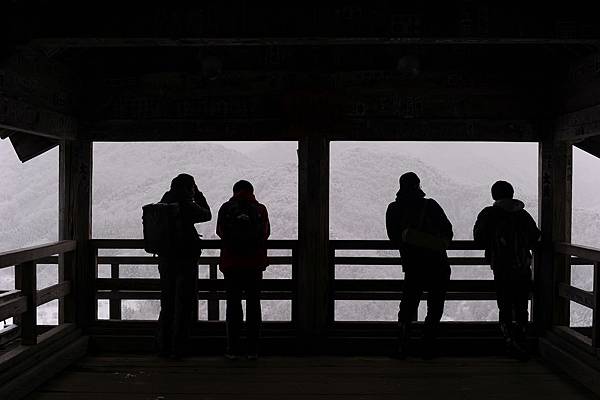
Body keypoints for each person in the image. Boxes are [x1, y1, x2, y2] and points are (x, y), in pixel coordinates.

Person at [386, 172, 453, 359]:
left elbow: (393, 237)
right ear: (418, 185)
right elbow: (448, 232)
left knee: (408, 304)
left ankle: (403, 344)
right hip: (438, 264)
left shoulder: (394, 209)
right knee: (435, 305)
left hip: (413, 265)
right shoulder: (430, 205)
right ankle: (428, 345)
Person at [473, 180, 540, 359]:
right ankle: (523, 338)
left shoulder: (489, 214)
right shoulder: (523, 214)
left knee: (505, 304)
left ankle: (509, 341)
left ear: (494, 195)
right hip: (522, 267)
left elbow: (478, 239)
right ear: (512, 193)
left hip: (501, 267)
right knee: (521, 305)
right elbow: (535, 237)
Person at [156, 173, 211, 358]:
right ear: (189, 188)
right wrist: (199, 195)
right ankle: (179, 347)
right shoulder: (186, 204)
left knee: (168, 303)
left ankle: (163, 346)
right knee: (185, 303)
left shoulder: (163, 204)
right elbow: (207, 214)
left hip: (165, 260)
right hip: (186, 259)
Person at [217, 180, 270, 360]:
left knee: (233, 306)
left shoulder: (226, 208)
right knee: (254, 305)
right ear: (252, 191)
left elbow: (220, 231)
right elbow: (265, 233)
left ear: (234, 191)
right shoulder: (260, 209)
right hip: (254, 264)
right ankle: (253, 350)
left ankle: (232, 349)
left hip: (231, 264)